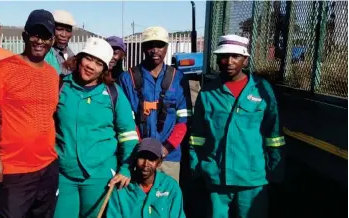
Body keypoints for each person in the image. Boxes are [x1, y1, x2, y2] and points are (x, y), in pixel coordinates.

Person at [189, 34, 285, 218]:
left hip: (251, 178)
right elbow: (197, 136)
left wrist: (275, 171)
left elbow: (274, 134)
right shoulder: (208, 93)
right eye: (224, 56)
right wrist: (197, 167)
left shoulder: (262, 90)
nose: (229, 61)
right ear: (217, 60)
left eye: (236, 56)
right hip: (216, 177)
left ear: (246, 60)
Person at [0, 9, 60, 218]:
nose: (39, 41)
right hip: (14, 170)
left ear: (52, 40)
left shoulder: (53, 74)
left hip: (48, 167)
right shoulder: (3, 69)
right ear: (25, 36)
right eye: (35, 34)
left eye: (45, 36)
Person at [53, 37, 139, 218]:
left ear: (105, 69)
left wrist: (125, 168)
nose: (91, 66)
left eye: (99, 63)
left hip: (100, 175)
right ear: (79, 58)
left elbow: (129, 136)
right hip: (63, 174)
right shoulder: (61, 86)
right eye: (89, 59)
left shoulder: (113, 93)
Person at [118, 26, 189, 182]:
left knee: (167, 199)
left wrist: (166, 148)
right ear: (143, 47)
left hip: (169, 156)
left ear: (166, 47)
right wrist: (142, 149)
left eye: (160, 45)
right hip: (138, 155)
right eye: (150, 45)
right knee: (138, 199)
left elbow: (183, 120)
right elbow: (126, 121)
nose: (155, 50)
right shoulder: (127, 78)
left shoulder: (178, 78)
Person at [107, 138, 186, 218]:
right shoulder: (122, 188)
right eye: (142, 157)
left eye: (151, 159)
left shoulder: (170, 186)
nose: (145, 164)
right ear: (135, 159)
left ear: (159, 162)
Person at [44, 10, 76, 75]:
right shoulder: (44, 55)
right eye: (59, 29)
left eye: (68, 30)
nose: (64, 35)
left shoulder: (70, 54)